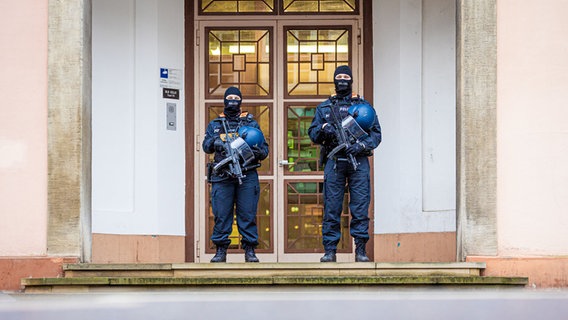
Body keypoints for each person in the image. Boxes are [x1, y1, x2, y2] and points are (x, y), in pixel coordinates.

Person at [308, 65, 382, 262]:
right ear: (334, 80)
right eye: (338, 77)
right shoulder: (325, 107)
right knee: (332, 207)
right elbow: (313, 134)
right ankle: (330, 250)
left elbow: (376, 134)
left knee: (360, 206)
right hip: (334, 162)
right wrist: (325, 129)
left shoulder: (363, 107)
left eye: (345, 77)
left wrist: (361, 146)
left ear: (351, 80)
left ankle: (360, 250)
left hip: (357, 161)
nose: (342, 80)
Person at [202, 86, 269, 263]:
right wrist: (216, 143)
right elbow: (205, 145)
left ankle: (249, 250)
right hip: (222, 176)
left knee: (247, 214)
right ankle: (220, 251)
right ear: (224, 100)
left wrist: (252, 151)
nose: (232, 100)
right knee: (221, 214)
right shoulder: (215, 124)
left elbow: (264, 150)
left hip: (246, 174)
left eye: (235, 97)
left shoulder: (250, 124)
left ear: (240, 101)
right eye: (229, 97)